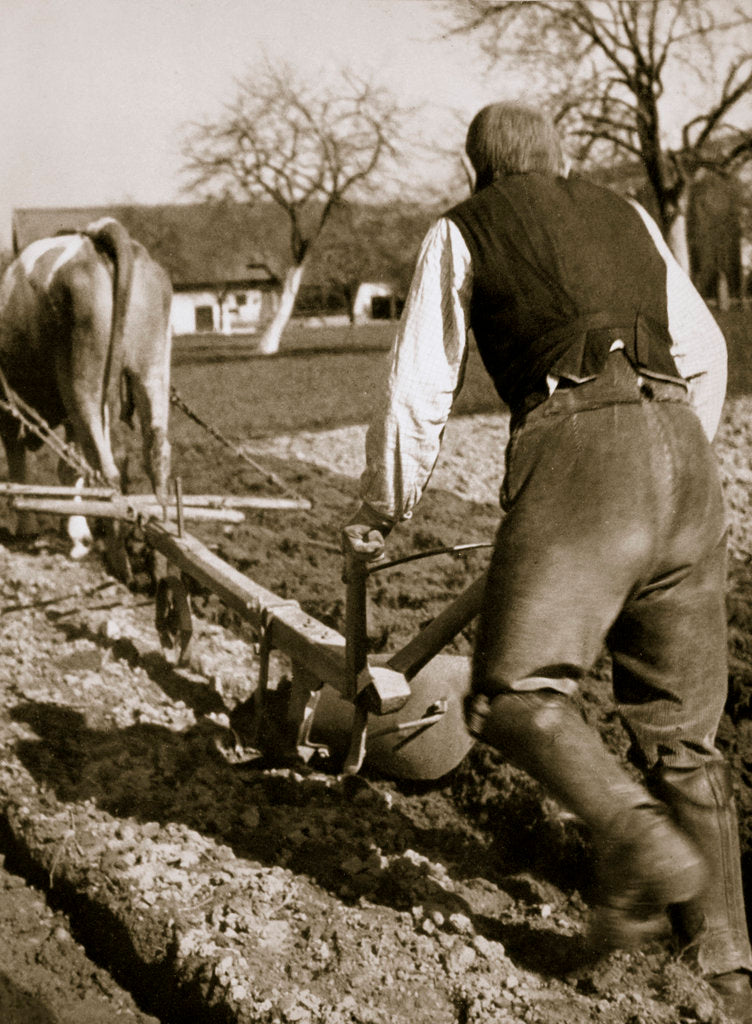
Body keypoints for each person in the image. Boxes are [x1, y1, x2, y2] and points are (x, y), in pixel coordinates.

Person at [341, 101, 752, 1021]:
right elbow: (710, 352)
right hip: (689, 460)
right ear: (560, 157)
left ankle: (636, 839)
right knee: (685, 739)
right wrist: (674, 453)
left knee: (515, 694)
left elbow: (417, 393)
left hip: (578, 449)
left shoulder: (464, 228)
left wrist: (380, 512)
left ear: (476, 166)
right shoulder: (629, 214)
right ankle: (728, 977)